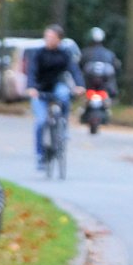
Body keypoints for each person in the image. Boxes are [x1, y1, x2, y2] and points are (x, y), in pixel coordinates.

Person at [25, 24, 84, 170]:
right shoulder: (38, 53)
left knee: (64, 94)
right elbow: (31, 72)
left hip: (57, 85)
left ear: (59, 39)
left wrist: (79, 85)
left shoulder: (65, 54)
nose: (48, 40)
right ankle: (40, 154)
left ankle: (63, 125)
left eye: (52, 37)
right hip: (40, 89)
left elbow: (74, 70)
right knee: (41, 122)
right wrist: (31, 87)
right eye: (47, 37)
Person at [79, 26, 119, 97]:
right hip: (106, 89)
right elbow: (117, 67)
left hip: (88, 89)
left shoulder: (84, 53)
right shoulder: (109, 53)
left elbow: (79, 67)